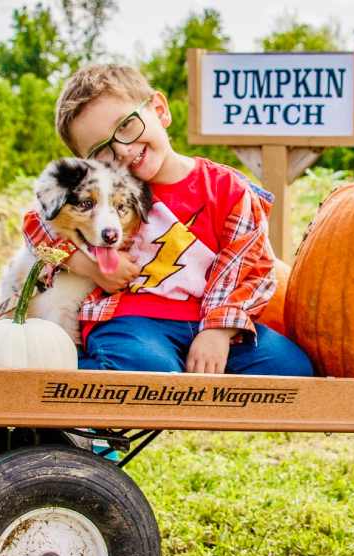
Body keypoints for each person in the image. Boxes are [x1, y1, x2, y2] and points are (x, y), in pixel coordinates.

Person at [30, 64, 313, 377]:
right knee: (150, 368)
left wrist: (218, 330)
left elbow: (250, 268)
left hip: (209, 320)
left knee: (292, 369)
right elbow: (35, 225)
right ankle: (62, 381)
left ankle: (162, 373)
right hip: (130, 319)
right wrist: (89, 266)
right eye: (102, 150)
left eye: (126, 126)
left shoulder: (227, 188)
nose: (122, 150)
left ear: (159, 110)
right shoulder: (98, 194)